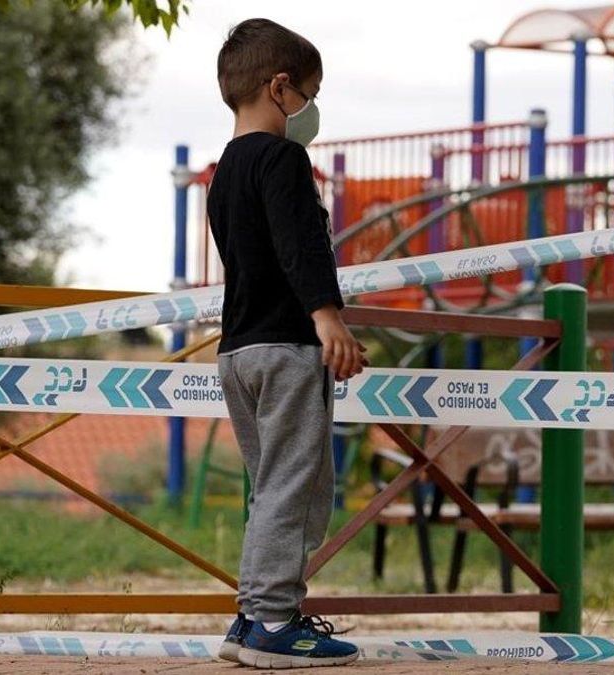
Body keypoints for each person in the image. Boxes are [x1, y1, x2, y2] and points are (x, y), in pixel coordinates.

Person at [207, 17, 366, 669]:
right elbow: (300, 242)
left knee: (272, 485)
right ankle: (275, 620)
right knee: (298, 485)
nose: (309, 108)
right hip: (287, 347)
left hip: (237, 351)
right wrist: (326, 316)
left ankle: (252, 619)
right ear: (279, 88)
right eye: (308, 92)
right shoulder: (283, 158)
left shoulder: (225, 172)